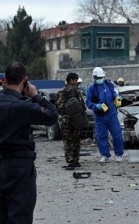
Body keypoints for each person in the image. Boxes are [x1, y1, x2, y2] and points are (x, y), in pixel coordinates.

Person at [0, 62, 58, 223]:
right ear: (25, 80)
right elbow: (52, 115)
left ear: (4, 79)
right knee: (20, 216)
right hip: (19, 166)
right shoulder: (23, 106)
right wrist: (35, 95)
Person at [86, 67, 124, 163]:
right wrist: (96, 106)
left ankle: (119, 155)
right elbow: (88, 102)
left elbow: (114, 94)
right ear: (94, 77)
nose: (100, 79)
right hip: (99, 116)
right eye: (98, 78)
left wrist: (117, 98)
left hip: (111, 114)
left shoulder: (109, 85)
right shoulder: (91, 88)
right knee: (101, 136)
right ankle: (104, 155)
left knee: (117, 135)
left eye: (101, 77)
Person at [56, 73, 86, 170]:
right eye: (76, 80)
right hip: (76, 119)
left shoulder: (62, 91)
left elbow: (59, 106)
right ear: (71, 80)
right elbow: (83, 105)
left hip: (66, 120)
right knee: (76, 140)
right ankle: (76, 160)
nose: (77, 82)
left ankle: (70, 161)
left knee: (67, 141)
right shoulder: (78, 91)